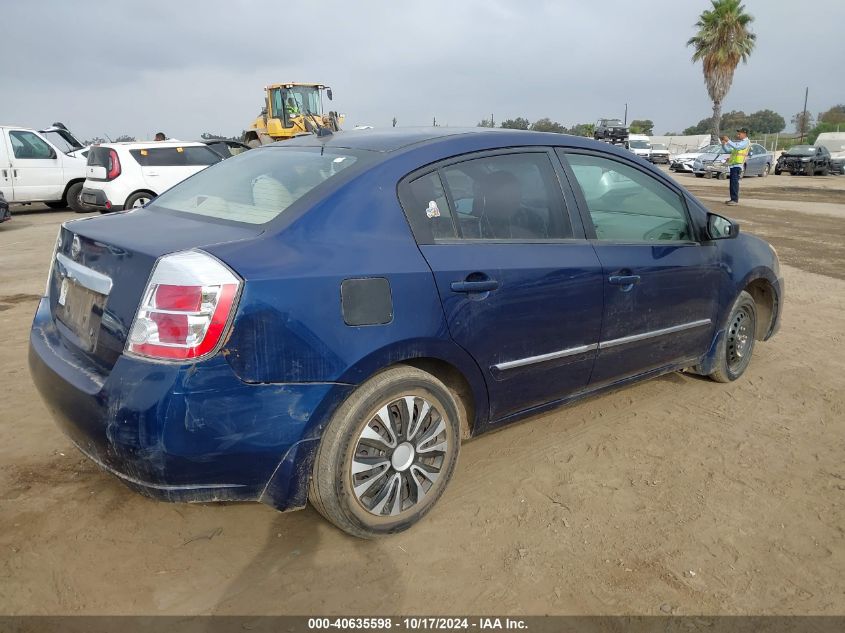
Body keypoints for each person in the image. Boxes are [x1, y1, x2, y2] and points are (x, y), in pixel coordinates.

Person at [720, 127, 750, 206]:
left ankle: (734, 200)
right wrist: (723, 144)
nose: (738, 135)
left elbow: (736, 147)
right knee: (732, 184)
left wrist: (728, 140)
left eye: (739, 133)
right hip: (733, 166)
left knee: (734, 183)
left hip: (738, 166)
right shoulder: (740, 143)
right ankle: (732, 199)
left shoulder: (745, 142)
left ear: (744, 134)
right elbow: (728, 150)